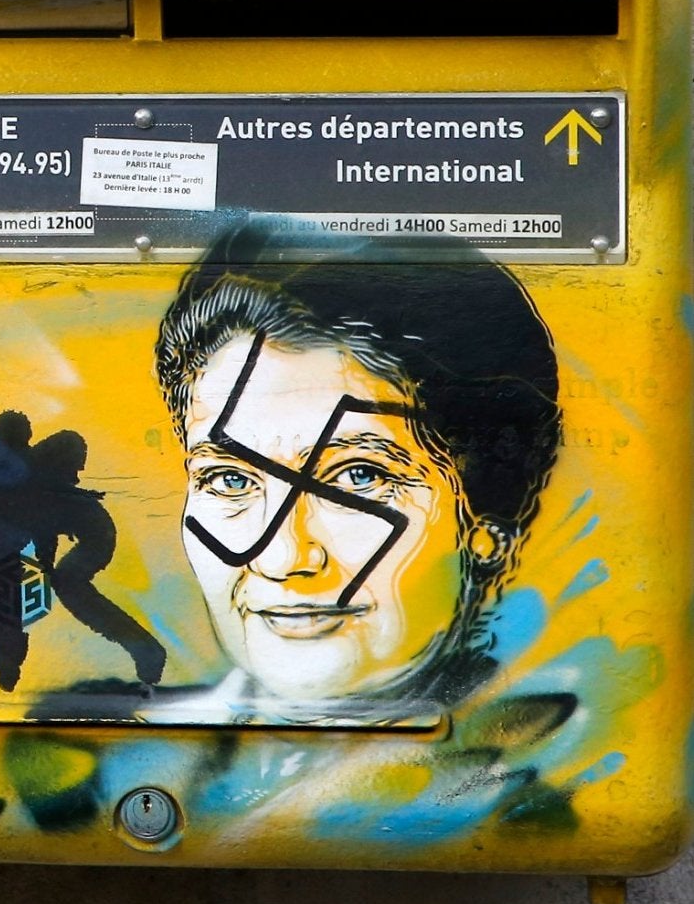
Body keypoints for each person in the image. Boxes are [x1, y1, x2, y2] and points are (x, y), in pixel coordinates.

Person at [151, 217, 561, 715]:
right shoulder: (106, 770)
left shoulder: (582, 765)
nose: (282, 558)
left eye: (358, 476)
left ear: (487, 526)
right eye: (230, 480)